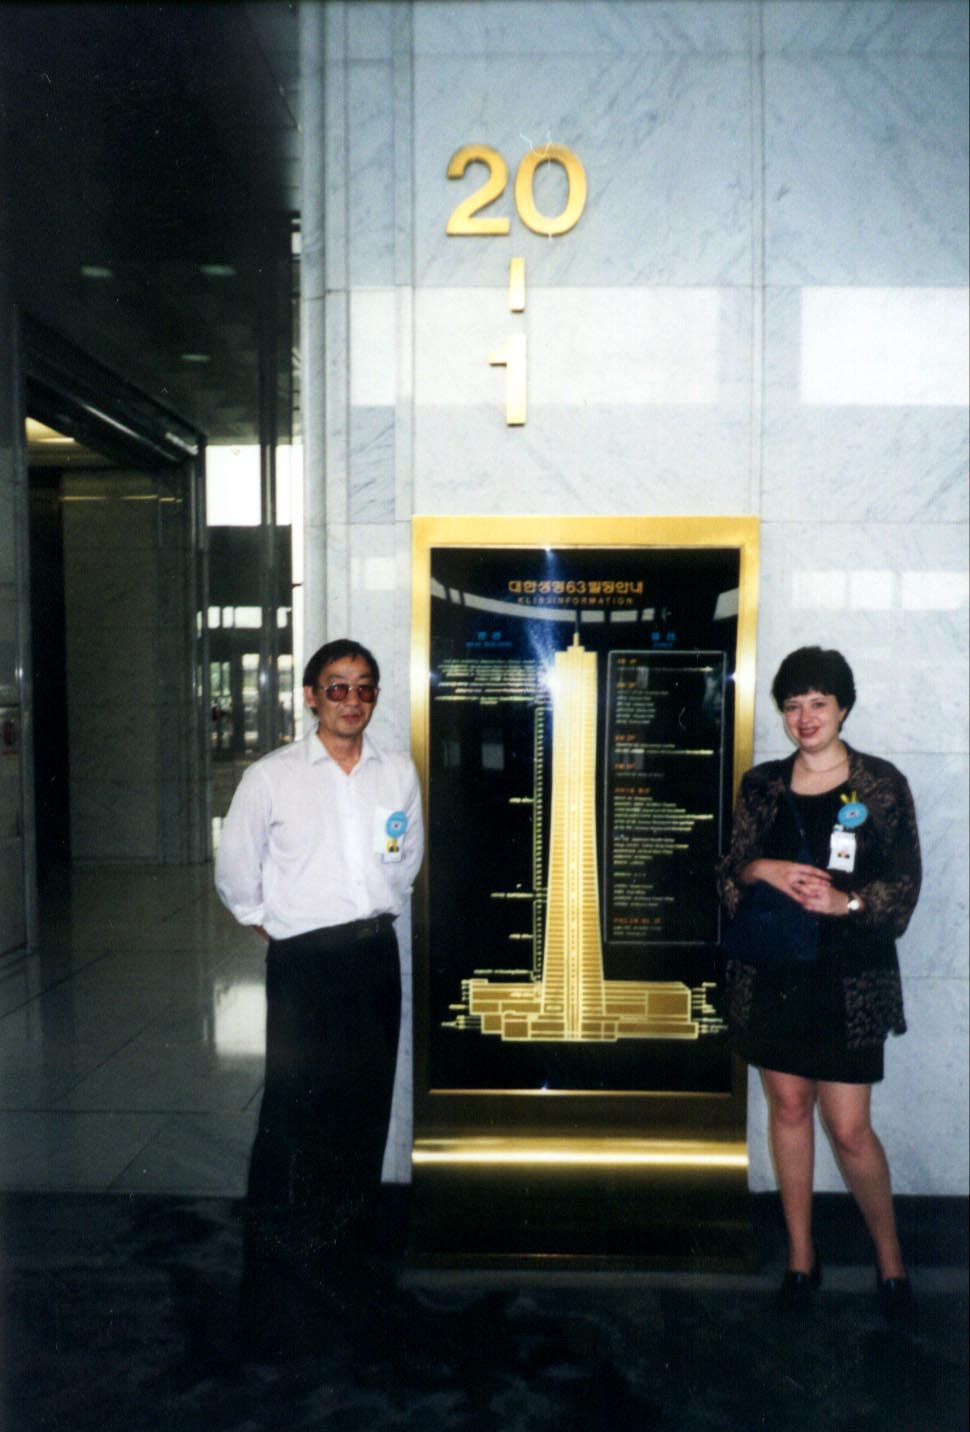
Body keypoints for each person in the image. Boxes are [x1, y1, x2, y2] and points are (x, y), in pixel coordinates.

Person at [215, 637, 423, 1352]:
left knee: (363, 1112)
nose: (351, 700)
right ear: (311, 697)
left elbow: (406, 858)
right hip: (305, 965)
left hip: (373, 957)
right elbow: (236, 874)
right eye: (337, 687)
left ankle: (343, 1266)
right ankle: (277, 1286)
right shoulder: (271, 778)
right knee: (294, 1119)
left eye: (363, 688)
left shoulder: (396, 772)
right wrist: (275, 924)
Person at [718, 647, 921, 1322]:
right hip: (774, 976)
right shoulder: (761, 786)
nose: (804, 718)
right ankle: (802, 1260)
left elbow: (904, 889)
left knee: (851, 1129)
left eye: (818, 703)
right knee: (787, 1110)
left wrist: (847, 902)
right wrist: (763, 870)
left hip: (848, 979)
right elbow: (730, 870)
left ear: (843, 708)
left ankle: (890, 1262)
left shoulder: (880, 785)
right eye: (792, 705)